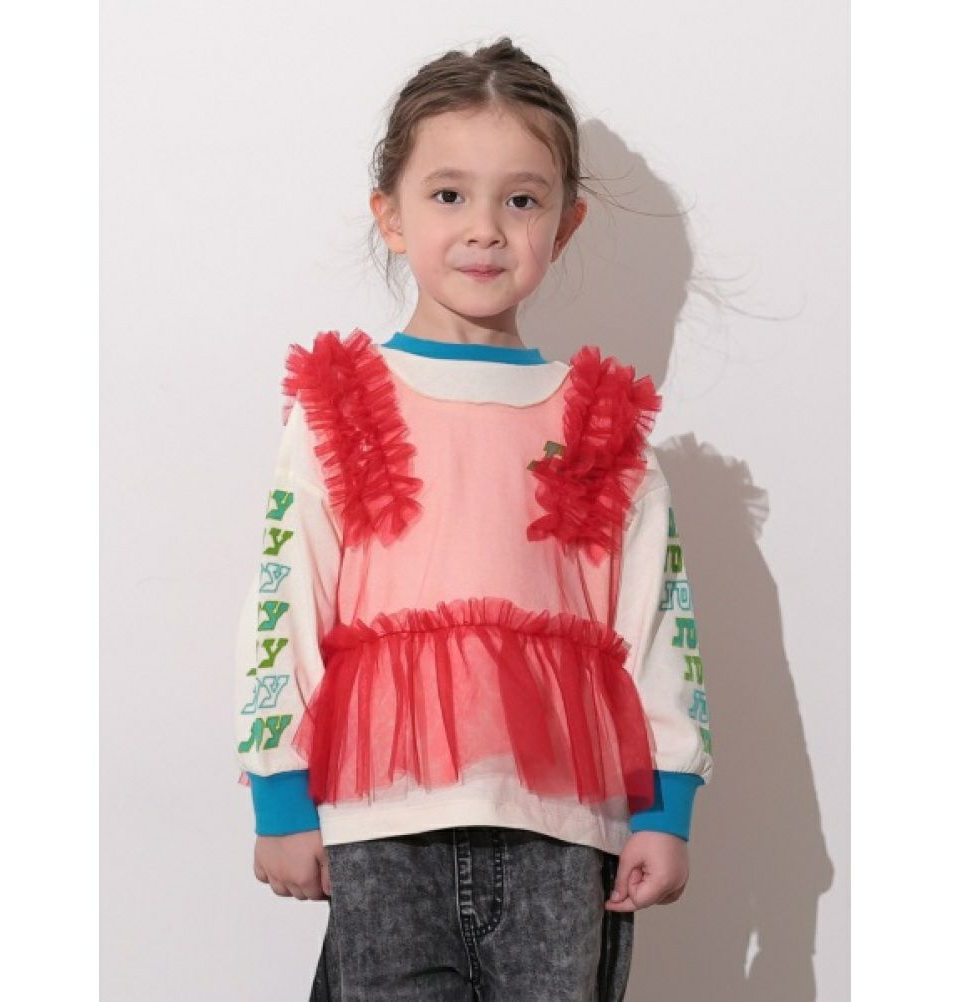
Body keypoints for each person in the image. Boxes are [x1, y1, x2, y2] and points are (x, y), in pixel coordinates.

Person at [233, 36, 713, 1002]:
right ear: (391, 215)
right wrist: (279, 794)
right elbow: (285, 598)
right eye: (449, 194)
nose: (485, 229)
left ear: (564, 225)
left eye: (522, 201)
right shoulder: (340, 401)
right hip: (381, 825)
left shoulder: (600, 420)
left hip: (563, 833)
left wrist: (668, 807)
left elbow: (658, 621)